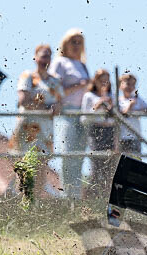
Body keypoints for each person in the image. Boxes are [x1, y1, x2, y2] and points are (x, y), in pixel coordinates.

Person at [12, 44, 63, 197]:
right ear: (35, 58)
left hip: (45, 129)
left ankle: (36, 200)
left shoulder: (55, 81)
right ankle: (21, 199)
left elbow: (59, 105)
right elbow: (23, 101)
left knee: (41, 165)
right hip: (28, 127)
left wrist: (49, 108)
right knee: (24, 164)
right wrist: (46, 108)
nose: (45, 59)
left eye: (48, 56)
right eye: (42, 56)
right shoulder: (28, 76)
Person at [50, 28, 90, 198]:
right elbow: (53, 88)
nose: (76, 45)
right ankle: (66, 195)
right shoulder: (60, 62)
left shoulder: (82, 65)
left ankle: (76, 196)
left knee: (79, 156)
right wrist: (79, 85)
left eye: (79, 42)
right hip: (66, 113)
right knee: (67, 154)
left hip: (83, 114)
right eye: (73, 41)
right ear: (65, 44)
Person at [81, 69, 115, 198]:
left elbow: (116, 120)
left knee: (109, 168)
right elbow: (84, 118)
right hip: (95, 132)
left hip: (110, 132)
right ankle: (90, 197)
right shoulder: (89, 96)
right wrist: (97, 107)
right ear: (95, 81)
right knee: (96, 166)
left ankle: (106, 197)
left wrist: (111, 108)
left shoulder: (112, 97)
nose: (104, 83)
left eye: (106, 81)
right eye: (101, 80)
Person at [118, 73, 147, 157]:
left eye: (133, 85)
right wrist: (130, 106)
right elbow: (122, 114)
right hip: (122, 137)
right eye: (128, 84)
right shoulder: (118, 100)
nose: (130, 87)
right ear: (120, 85)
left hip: (135, 137)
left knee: (135, 159)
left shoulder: (137, 99)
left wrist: (139, 111)